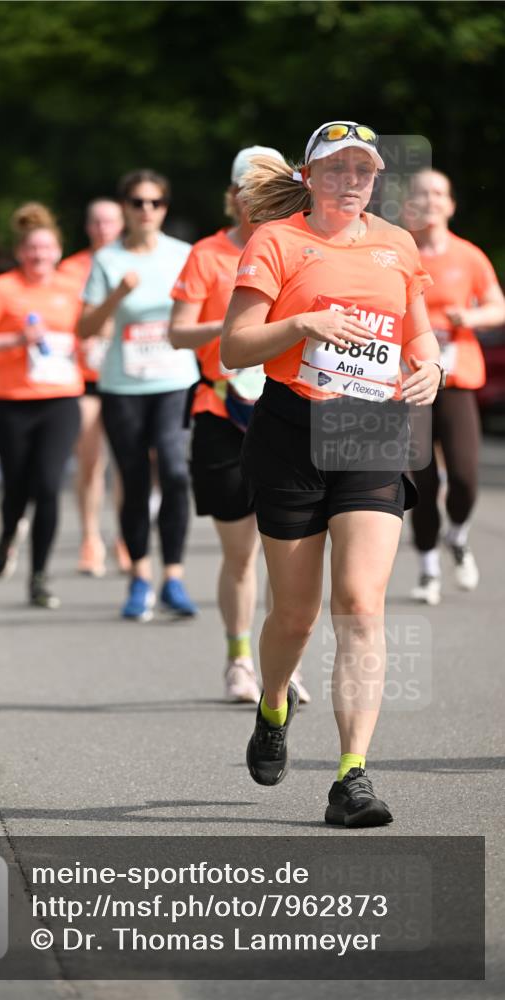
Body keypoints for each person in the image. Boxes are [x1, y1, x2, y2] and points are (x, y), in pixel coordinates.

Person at [222, 122, 442, 827]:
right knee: (295, 615)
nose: (351, 180)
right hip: (292, 426)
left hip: (371, 426)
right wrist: (302, 324)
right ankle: (273, 702)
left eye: (363, 170)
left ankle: (351, 776)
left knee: (360, 603)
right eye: (337, 168)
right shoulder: (276, 241)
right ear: (309, 176)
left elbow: (417, 331)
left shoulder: (396, 244)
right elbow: (234, 346)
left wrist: (432, 366)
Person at [170, 146, 311, 704]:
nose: (255, 197)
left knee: (289, 554)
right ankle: (238, 660)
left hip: (287, 410)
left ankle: (283, 665)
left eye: (268, 185)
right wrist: (236, 325)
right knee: (242, 553)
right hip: (222, 412)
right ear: (233, 196)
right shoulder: (207, 254)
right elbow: (178, 333)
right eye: (247, 188)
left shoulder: (302, 247)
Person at [79, 170, 199, 621]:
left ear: (165, 207)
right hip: (123, 385)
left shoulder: (184, 255)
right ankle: (140, 577)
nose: (146, 210)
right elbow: (85, 328)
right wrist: (116, 297)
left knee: (173, 471)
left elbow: (204, 312)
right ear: (125, 207)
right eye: (137, 202)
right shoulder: (108, 260)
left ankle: (174, 576)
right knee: (131, 480)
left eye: (155, 202)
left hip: (174, 380)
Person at [0, 202, 85, 608]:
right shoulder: (2, 288)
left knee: (49, 486)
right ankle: (6, 535)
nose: (39, 255)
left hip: (61, 400)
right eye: (31, 249)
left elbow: (90, 331)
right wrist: (15, 340)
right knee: (17, 489)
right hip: (12, 402)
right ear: (21, 253)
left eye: (46, 248)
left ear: (57, 251)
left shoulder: (73, 287)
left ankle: (39, 576)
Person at [403, 169, 505, 605]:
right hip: (410, 378)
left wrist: (472, 318)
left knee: (464, 477)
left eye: (438, 193)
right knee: (420, 480)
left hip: (458, 377)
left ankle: (458, 536)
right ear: (409, 203)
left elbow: (497, 306)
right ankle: (427, 570)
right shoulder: (397, 250)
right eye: (421, 193)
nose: (430, 200)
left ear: (450, 204)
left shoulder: (469, 256)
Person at [59, 199, 129, 577]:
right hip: (84, 376)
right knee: (89, 459)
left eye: (110, 222)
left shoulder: (133, 261)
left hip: (127, 374)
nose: (104, 229)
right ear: (88, 227)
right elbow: (65, 317)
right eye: (97, 222)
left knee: (127, 463)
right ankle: (90, 539)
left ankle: (124, 538)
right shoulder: (71, 269)